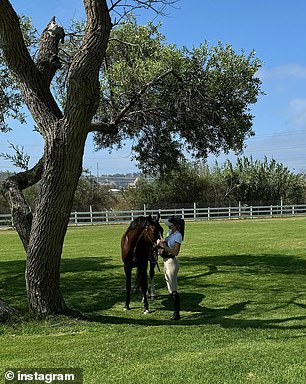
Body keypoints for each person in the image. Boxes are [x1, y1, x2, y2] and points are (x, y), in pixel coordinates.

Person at [157, 215, 185, 320]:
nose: (169, 227)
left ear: (176, 226)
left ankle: (176, 313)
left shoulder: (178, 236)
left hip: (171, 262)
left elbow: (175, 252)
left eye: (170, 225)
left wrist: (164, 247)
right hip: (165, 262)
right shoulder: (170, 233)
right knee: (169, 288)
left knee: (173, 289)